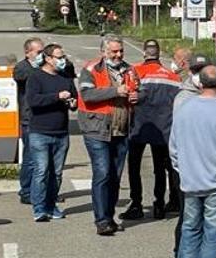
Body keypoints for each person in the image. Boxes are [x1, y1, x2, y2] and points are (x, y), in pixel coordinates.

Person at [170, 66, 216, 258]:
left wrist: (182, 169)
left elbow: (174, 146)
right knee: (213, 231)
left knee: (190, 228)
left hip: (190, 179)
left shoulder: (184, 108)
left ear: (199, 83)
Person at [78, 35, 138, 236]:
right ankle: (101, 220)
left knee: (115, 176)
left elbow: (139, 88)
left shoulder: (129, 69)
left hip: (121, 129)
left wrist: (138, 96)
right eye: (114, 51)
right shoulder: (90, 70)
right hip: (97, 129)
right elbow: (87, 95)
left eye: (121, 51)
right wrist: (115, 91)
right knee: (103, 173)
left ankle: (109, 217)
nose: (119, 54)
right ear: (103, 52)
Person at [122, 40, 182, 221]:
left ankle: (136, 204)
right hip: (163, 129)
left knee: (134, 167)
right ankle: (159, 204)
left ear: (144, 53)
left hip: (137, 127)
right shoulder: (173, 77)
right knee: (160, 169)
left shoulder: (133, 72)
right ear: (159, 54)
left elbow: (127, 98)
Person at [24, 44, 77, 222]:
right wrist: (56, 97)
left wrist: (72, 102)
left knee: (57, 173)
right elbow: (33, 101)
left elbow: (74, 98)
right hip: (40, 132)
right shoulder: (36, 77)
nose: (62, 61)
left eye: (63, 57)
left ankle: (51, 204)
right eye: (58, 57)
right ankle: (39, 208)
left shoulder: (66, 78)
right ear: (48, 59)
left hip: (61, 132)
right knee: (41, 171)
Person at [15, 38, 45, 205]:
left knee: (45, 160)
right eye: (38, 52)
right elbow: (21, 77)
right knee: (31, 157)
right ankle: (26, 191)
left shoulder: (46, 67)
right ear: (28, 53)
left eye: (43, 52)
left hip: (45, 118)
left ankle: (42, 191)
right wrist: (43, 69)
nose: (41, 56)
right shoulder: (22, 68)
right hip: (29, 119)